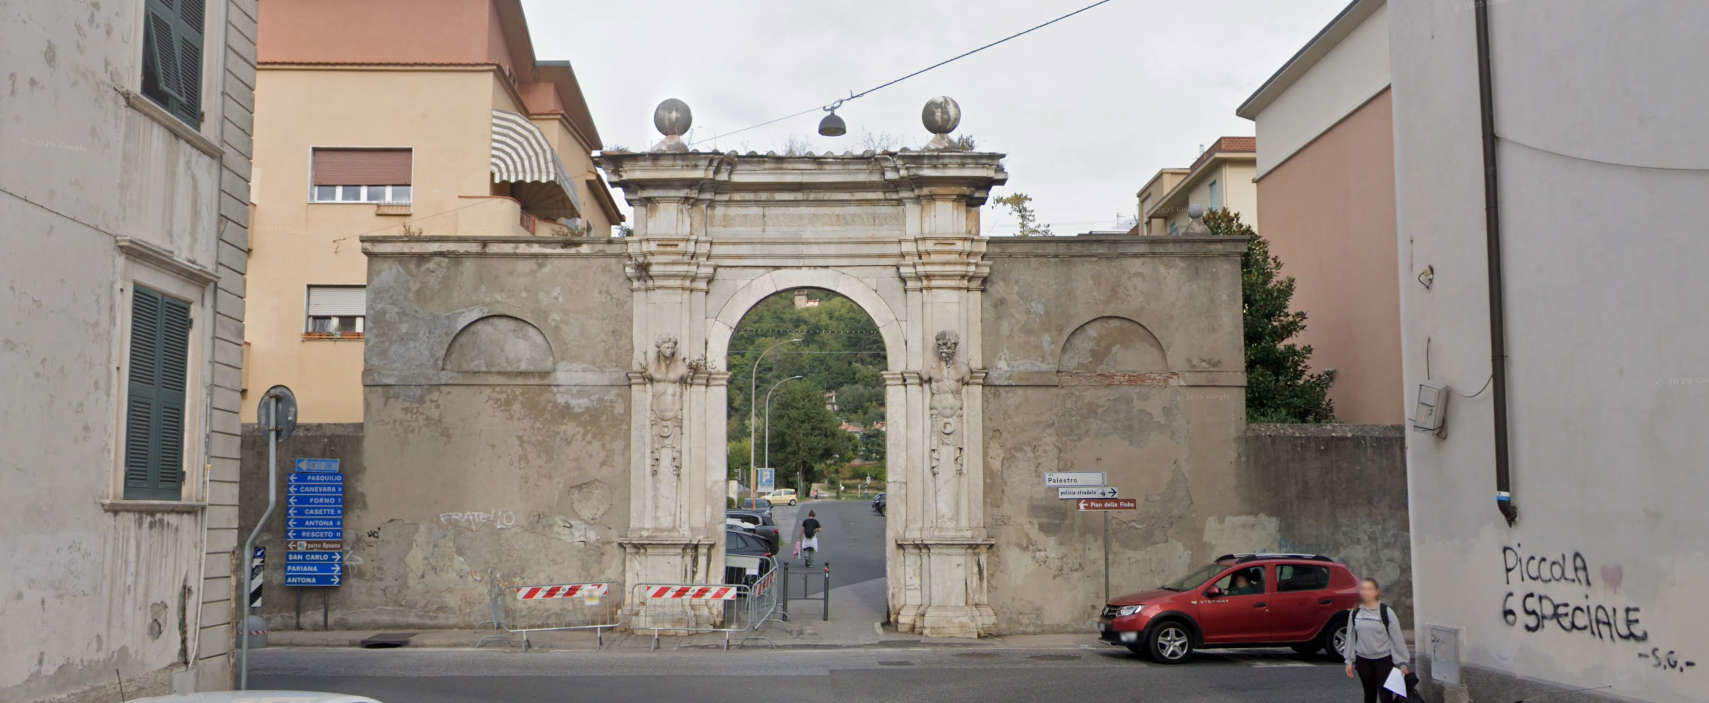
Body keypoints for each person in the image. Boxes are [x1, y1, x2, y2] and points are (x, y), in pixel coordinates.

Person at [1344, 578, 1410, 703]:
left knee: (1386, 697)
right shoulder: (1355, 612)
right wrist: (1349, 661)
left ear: (1376, 592)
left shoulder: (1386, 612)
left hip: (1384, 660)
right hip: (1363, 661)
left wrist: (1402, 663)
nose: (1366, 592)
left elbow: (1397, 639)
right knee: (1369, 695)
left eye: (1369, 589)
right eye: (1363, 589)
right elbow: (1351, 637)